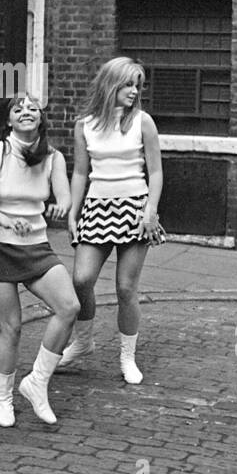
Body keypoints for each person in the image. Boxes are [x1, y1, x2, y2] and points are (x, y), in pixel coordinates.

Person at [0, 95, 80, 426]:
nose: (26, 112)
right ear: (9, 120)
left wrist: (62, 207)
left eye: (33, 108)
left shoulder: (52, 157)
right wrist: (6, 221)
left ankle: (37, 382)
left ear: (41, 118)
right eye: (18, 108)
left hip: (35, 246)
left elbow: (64, 195)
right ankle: (3, 399)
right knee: (10, 326)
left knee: (69, 307)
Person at [62, 57, 164, 384]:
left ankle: (127, 356)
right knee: (81, 279)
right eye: (128, 84)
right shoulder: (84, 125)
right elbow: (80, 172)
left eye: (138, 85)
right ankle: (84, 340)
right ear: (110, 84)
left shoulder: (143, 122)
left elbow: (157, 171)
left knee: (125, 288)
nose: (134, 91)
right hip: (97, 208)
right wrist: (73, 213)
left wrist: (150, 210)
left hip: (134, 208)